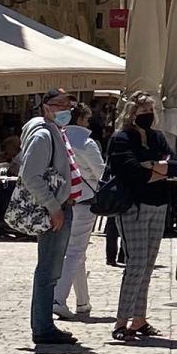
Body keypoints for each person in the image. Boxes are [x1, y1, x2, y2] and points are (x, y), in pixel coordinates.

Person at [107, 90, 177, 342]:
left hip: (159, 206)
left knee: (148, 265)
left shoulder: (157, 137)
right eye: (143, 111)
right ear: (131, 114)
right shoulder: (121, 139)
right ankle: (121, 321)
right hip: (134, 207)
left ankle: (139, 318)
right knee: (135, 264)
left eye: (150, 111)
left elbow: (175, 164)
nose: (148, 115)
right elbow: (130, 172)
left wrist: (151, 167)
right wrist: (159, 170)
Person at [18, 88, 80, 346]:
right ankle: (43, 328)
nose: (66, 109)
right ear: (46, 107)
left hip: (61, 206)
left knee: (50, 269)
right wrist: (54, 207)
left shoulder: (55, 131)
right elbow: (30, 175)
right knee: (49, 270)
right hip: (54, 210)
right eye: (60, 104)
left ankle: (43, 324)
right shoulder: (43, 135)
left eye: (69, 105)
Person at [55, 102, 104, 321]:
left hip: (63, 199)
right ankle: (58, 298)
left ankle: (83, 301)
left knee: (77, 251)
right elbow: (101, 173)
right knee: (75, 251)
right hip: (84, 199)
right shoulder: (86, 142)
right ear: (82, 119)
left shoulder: (59, 138)